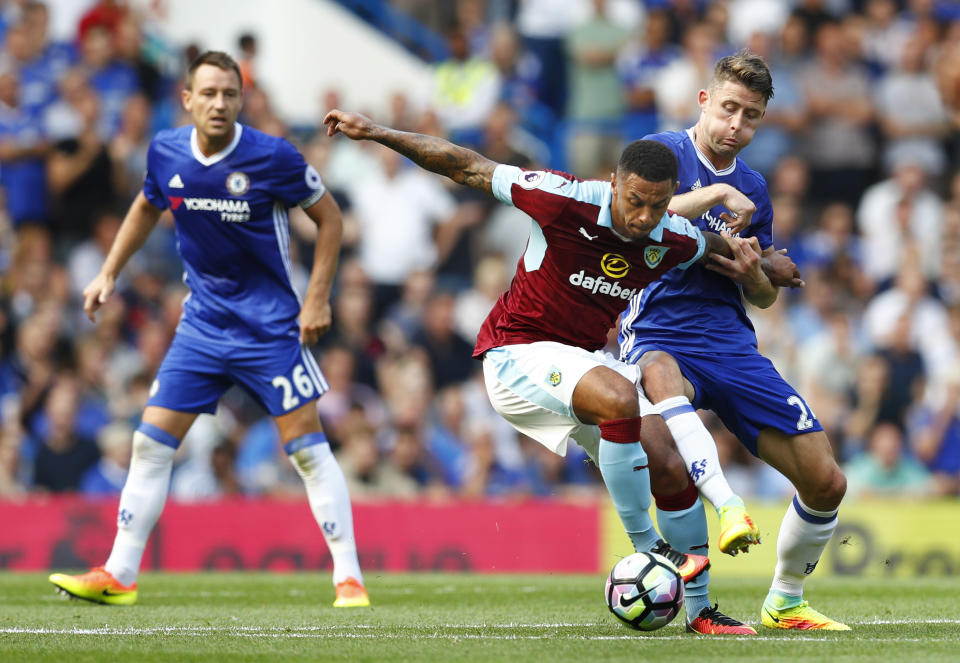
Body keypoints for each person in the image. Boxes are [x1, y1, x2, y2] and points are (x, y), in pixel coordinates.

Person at [323, 107, 799, 590]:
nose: (642, 217)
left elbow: (722, 250)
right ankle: (650, 546)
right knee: (617, 394)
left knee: (671, 465)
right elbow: (465, 165)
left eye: (656, 207)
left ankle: (701, 610)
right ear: (614, 182)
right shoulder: (561, 198)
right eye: (634, 200)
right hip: (516, 353)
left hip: (580, 365)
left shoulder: (671, 237)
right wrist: (377, 132)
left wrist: (773, 264)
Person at [48, 52, 368, 608]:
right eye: (210, 93)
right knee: (149, 444)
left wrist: (316, 298)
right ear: (187, 98)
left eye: (230, 94)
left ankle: (349, 578)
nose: (220, 103)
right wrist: (107, 272)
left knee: (307, 452)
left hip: (270, 328)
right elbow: (147, 206)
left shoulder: (272, 156)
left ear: (240, 100)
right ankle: (120, 573)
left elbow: (330, 218)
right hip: (202, 325)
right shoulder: (167, 150)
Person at [618, 50, 849, 632]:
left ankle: (786, 601)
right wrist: (716, 201)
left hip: (729, 344)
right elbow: (636, 215)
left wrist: (754, 272)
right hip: (657, 333)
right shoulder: (664, 154)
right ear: (704, 101)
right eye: (728, 110)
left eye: (750, 117)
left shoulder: (754, 185)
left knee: (827, 482)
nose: (735, 127)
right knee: (667, 464)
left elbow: (764, 296)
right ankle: (702, 600)